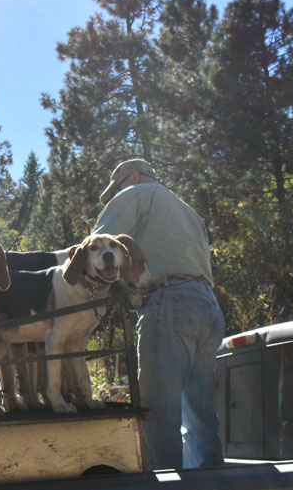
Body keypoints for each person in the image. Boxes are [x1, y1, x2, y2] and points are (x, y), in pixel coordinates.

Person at [93, 158, 226, 470]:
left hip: (170, 303)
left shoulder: (135, 194)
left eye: (118, 186)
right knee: (201, 415)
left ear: (134, 176)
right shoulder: (188, 211)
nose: (117, 194)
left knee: (159, 412)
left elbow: (98, 245)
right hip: (207, 306)